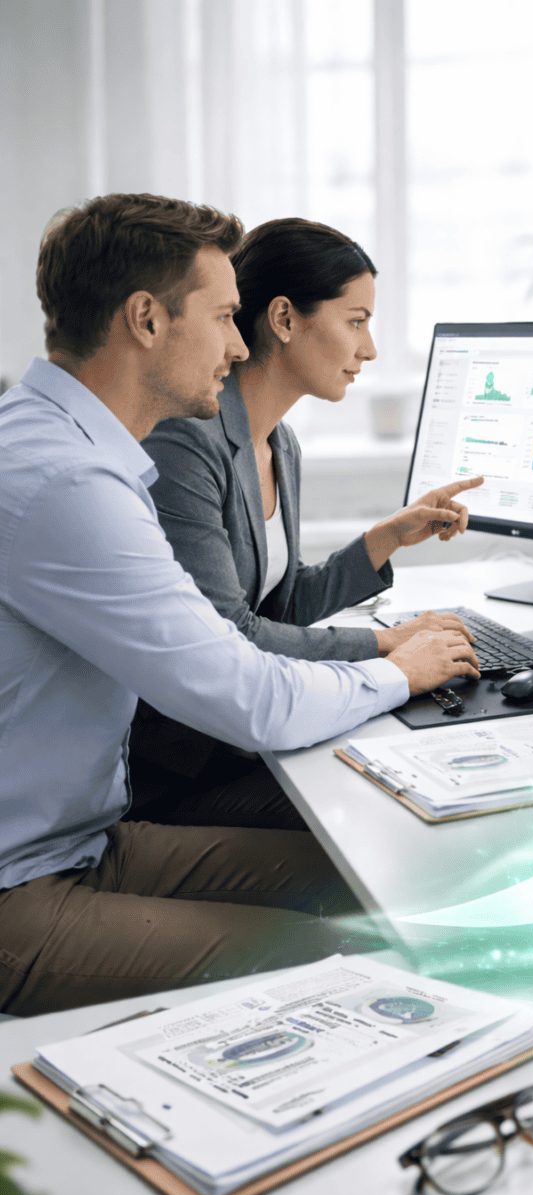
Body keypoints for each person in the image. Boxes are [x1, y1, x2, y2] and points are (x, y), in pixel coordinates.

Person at [0, 192, 479, 1016]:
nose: (236, 341)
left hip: (84, 841)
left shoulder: (67, 446)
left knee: (382, 878)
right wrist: (397, 672)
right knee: (363, 961)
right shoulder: (67, 482)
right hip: (21, 885)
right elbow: (251, 693)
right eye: (224, 317)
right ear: (147, 319)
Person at [132, 217, 481, 829]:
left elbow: (278, 608)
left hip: (247, 742)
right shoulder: (187, 442)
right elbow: (232, 634)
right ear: (286, 319)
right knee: (389, 811)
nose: (369, 349)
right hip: (183, 773)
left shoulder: (279, 443)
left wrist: (385, 538)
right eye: (356, 321)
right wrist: (388, 646)